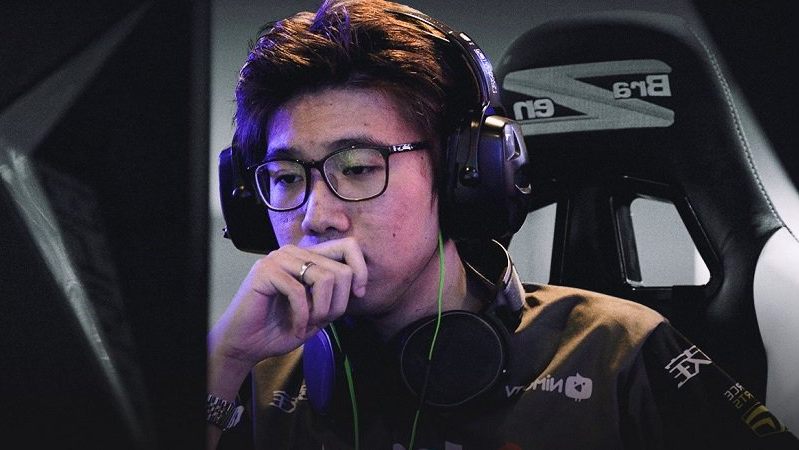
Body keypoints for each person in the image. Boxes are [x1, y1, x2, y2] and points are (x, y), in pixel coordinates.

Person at [207, 1, 799, 449]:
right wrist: (222, 361)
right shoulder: (250, 376)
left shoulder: (619, 351)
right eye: (285, 177)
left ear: (461, 177)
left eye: (358, 167)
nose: (316, 216)